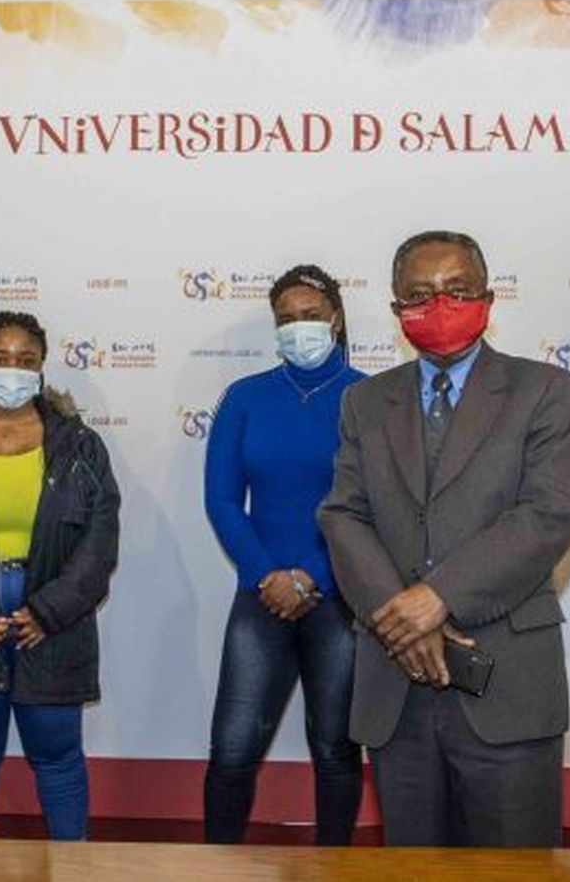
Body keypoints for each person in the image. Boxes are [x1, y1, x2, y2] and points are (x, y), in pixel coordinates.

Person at [318, 231, 570, 847]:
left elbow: (547, 515)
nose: (438, 305)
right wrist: (401, 619)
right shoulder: (364, 401)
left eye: (456, 290)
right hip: (397, 687)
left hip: (508, 685)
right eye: (418, 294)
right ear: (394, 310)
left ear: (488, 297)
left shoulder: (544, 391)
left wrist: (436, 597)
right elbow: (342, 515)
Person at [0, 310, 120, 840]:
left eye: (24, 360)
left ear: (41, 367)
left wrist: (48, 611)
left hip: (52, 617)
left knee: (58, 756)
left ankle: (72, 868)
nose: (11, 370)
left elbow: (100, 542)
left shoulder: (79, 445)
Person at [202, 266, 365, 845]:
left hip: (341, 595)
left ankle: (334, 865)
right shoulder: (245, 399)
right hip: (261, 592)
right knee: (233, 747)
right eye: (287, 319)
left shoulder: (368, 397)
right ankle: (215, 864)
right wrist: (268, 575)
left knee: (336, 748)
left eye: (311, 315)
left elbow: (369, 505)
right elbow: (222, 500)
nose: (300, 327)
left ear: (336, 319)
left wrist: (313, 578)